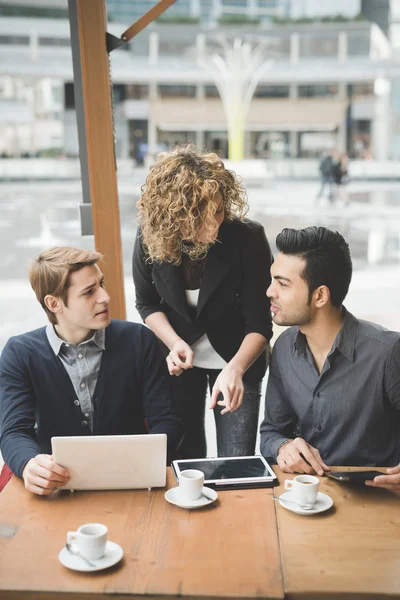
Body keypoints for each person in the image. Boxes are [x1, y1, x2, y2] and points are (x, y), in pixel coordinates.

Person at [0, 247, 183, 495]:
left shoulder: (139, 340)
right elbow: (13, 432)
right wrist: (30, 464)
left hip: (132, 483)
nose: (105, 297)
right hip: (58, 488)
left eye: (101, 284)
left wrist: (141, 461)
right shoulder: (19, 353)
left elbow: (167, 420)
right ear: (54, 303)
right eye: (89, 292)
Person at [132, 145, 273, 459]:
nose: (213, 227)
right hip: (179, 363)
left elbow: (260, 323)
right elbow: (147, 304)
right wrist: (174, 342)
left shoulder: (247, 238)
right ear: (172, 215)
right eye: (198, 218)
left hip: (239, 358)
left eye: (219, 211)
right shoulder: (149, 236)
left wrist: (235, 369)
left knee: (236, 459)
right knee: (185, 457)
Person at [260, 226, 400, 494]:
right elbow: (271, 432)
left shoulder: (387, 352)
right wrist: (282, 447)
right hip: (304, 498)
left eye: (282, 283)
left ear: (320, 295)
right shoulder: (284, 347)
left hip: (379, 505)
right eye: (272, 280)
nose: (269, 291)